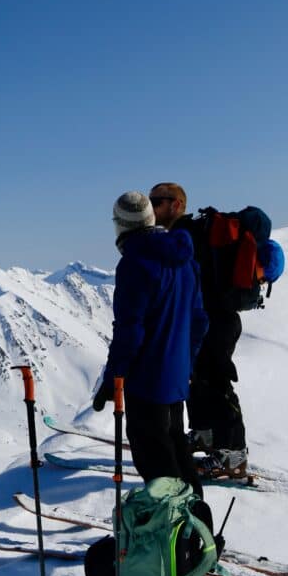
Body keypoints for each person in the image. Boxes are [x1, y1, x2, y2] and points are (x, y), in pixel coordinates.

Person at [93, 191, 208, 497]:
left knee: (157, 465)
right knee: (177, 451)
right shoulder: (185, 258)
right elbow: (199, 321)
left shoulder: (135, 263)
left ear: (121, 225)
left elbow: (130, 331)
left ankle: (174, 537)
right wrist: (187, 363)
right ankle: (198, 530)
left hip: (146, 381)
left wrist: (113, 379)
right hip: (175, 378)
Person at [148, 182, 248, 478]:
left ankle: (233, 453)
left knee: (217, 382)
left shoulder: (186, 236)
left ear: (176, 204)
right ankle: (205, 434)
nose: (151, 208)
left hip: (215, 320)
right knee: (198, 378)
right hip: (207, 319)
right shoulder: (188, 233)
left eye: (157, 201)